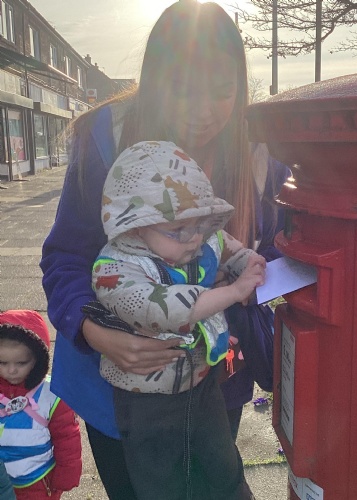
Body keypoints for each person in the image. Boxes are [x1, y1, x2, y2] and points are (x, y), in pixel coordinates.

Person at [40, 2, 289, 499]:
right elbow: (65, 256)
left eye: (222, 91)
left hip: (215, 379)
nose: (203, 112)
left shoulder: (260, 149)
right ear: (154, 78)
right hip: (113, 387)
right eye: (183, 90)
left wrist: (252, 277)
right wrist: (96, 333)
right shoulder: (107, 135)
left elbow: (284, 253)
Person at [82, 140, 265, 498]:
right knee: (161, 481)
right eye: (178, 229)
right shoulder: (114, 270)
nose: (193, 238)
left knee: (224, 467)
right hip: (148, 401)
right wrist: (234, 291)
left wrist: (248, 262)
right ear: (136, 228)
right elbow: (165, 309)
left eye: (198, 224)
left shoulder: (195, 239)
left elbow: (228, 247)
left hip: (204, 382)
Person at [0, 310, 82, 499]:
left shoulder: (51, 393)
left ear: (38, 359)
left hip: (38, 481)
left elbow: (67, 436)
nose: (11, 370)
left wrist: (67, 472)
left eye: (21, 363)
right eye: (2, 363)